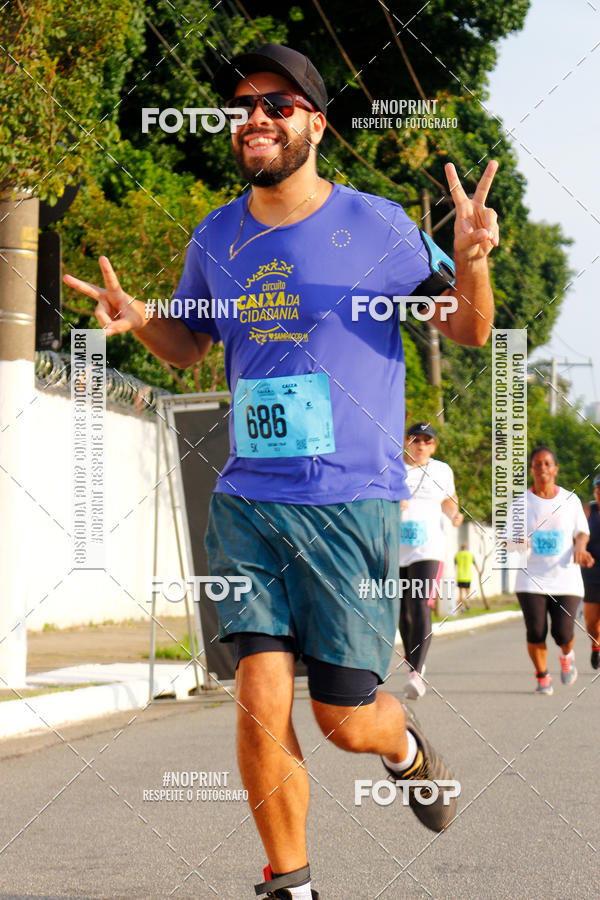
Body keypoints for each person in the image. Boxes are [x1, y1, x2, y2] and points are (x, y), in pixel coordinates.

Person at [64, 43, 499, 900]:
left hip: (350, 504)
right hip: (251, 501)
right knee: (261, 697)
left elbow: (470, 330)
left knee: (342, 721)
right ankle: (290, 885)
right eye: (243, 104)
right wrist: (144, 316)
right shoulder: (217, 236)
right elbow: (192, 344)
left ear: (315, 123)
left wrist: (474, 259)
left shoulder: (377, 225)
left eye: (277, 103)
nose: (255, 116)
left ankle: (404, 746)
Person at [508, 446, 593, 695]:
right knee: (535, 630)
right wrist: (518, 544)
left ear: (555, 469)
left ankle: (567, 655)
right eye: (537, 464)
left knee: (562, 632)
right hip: (530, 579)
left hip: (565, 578)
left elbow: (581, 532)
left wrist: (580, 547)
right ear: (532, 470)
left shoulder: (569, 500)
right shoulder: (521, 503)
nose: (542, 468)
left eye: (547, 463)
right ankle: (542, 676)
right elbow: (509, 541)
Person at [399, 422, 464, 699]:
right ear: (406, 442)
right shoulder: (393, 468)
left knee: (420, 604)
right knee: (403, 612)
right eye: (416, 440)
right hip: (398, 547)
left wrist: (453, 514)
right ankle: (415, 661)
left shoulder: (441, 470)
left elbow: (449, 500)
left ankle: (416, 673)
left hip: (429, 548)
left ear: (434, 446)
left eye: (427, 441)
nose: (421, 445)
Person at [582, 473, 600, 668]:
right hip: (591, 572)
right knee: (592, 621)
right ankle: (596, 646)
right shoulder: (588, 510)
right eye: (598, 489)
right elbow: (578, 534)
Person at [454, 543, 475, 610]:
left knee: (460, 593)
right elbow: (475, 563)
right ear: (467, 548)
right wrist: (479, 571)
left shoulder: (457, 555)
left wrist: (453, 574)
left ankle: (461, 607)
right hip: (468, 576)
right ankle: (468, 604)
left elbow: (454, 566)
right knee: (467, 592)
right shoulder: (470, 555)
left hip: (460, 576)